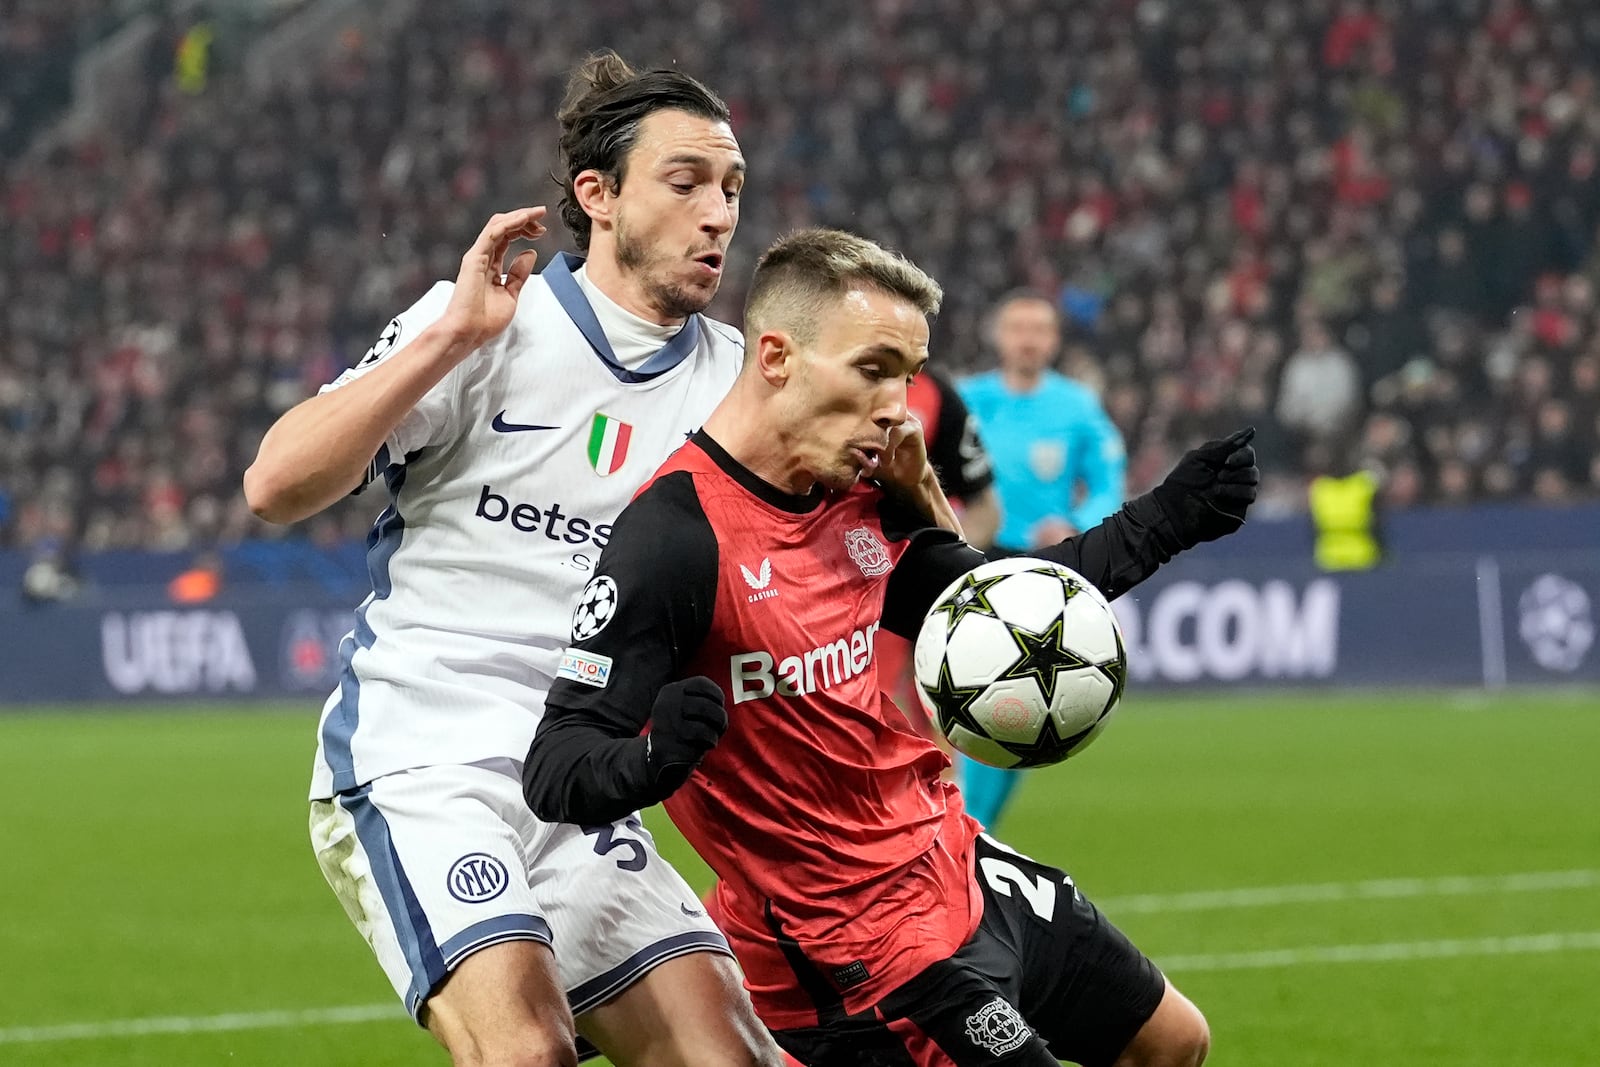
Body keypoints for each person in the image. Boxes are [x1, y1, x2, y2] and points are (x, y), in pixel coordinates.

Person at [524, 228, 1260, 1067]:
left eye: (908, 376)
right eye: (874, 369)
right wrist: (653, 756)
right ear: (775, 356)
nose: (898, 406)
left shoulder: (860, 498)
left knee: (1174, 1042)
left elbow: (999, 610)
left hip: (956, 860)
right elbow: (557, 766)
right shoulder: (677, 537)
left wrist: (1166, 519)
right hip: (858, 954)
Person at [243, 52, 785, 1067]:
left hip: (583, 781)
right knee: (528, 1049)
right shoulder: (493, 322)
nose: (717, 213)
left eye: (731, 189)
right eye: (684, 183)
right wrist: (450, 337)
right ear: (598, 194)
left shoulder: (738, 387)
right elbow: (275, 484)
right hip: (425, 753)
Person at [956, 291, 1127, 830]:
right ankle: (967, 827)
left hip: (1043, 570)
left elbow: (1107, 480)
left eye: (1038, 329)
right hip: (973, 560)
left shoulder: (1076, 406)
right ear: (998, 336)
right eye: (1017, 328)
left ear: (1053, 340)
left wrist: (1079, 520)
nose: (1027, 339)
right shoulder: (967, 398)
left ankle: (973, 828)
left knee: (1023, 706)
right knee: (983, 694)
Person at [875, 368, 1001, 729]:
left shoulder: (937, 394)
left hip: (902, 605)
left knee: (931, 728)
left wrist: (939, 570)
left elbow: (986, 511)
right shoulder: (812, 378)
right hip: (820, 598)